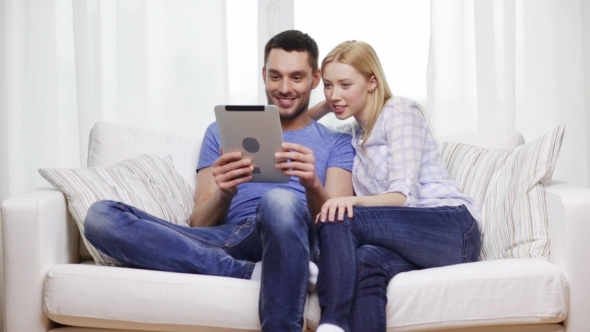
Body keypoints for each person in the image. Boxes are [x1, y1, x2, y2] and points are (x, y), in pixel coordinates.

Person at [83, 30, 355, 332]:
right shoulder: (221, 131)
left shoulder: (336, 143)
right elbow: (199, 222)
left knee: (279, 200)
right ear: (264, 75)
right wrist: (224, 193)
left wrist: (311, 184)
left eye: (296, 77)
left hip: (294, 235)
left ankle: (276, 274)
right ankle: (248, 272)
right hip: (231, 239)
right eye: (275, 76)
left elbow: (338, 229)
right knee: (100, 217)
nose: (285, 88)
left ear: (315, 79)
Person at [310, 41, 482, 332]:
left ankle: (332, 322)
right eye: (328, 85)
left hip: (453, 229)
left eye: (345, 84)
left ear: (372, 82)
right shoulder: (353, 135)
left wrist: (352, 203)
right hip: (412, 242)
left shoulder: (399, 112)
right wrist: (329, 104)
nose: (334, 94)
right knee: (366, 260)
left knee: (339, 215)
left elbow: (403, 197)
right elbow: (297, 126)